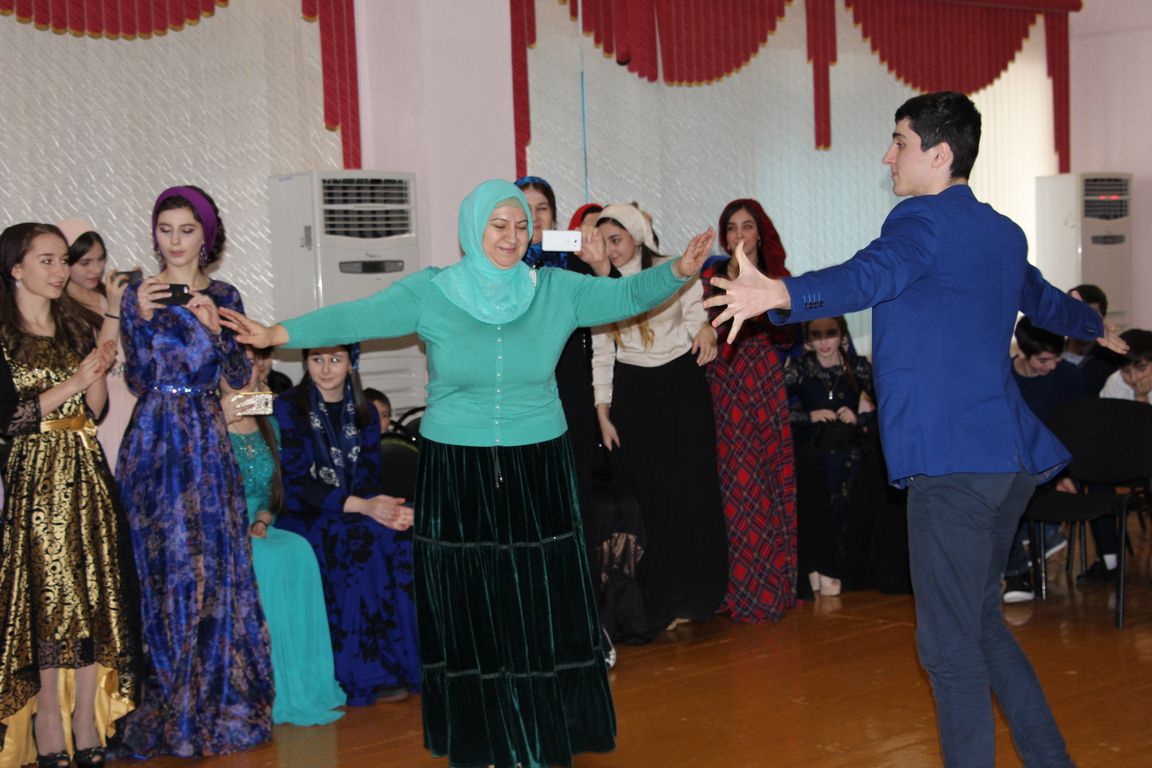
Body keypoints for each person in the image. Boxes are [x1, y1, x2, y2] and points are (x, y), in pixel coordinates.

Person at [219, 178, 716, 768]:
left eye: (520, 226)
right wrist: (277, 334)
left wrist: (678, 271)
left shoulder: (556, 288)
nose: (511, 236)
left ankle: (541, 729)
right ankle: (482, 735)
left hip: (539, 465)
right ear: (473, 229)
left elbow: (624, 296)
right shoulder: (434, 291)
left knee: (538, 604)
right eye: (498, 225)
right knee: (473, 605)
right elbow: (359, 313)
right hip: (458, 468)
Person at [705, 91, 1127, 767]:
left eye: (899, 141)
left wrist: (781, 292)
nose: (888, 155)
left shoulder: (919, 221)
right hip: (1007, 461)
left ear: (939, 154)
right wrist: (1095, 326)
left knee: (948, 648)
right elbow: (1045, 300)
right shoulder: (1000, 231)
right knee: (979, 626)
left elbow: (869, 275)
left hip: (954, 462)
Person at [116, 186, 273, 757]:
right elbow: (136, 378)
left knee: (209, 569)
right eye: (165, 230)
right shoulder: (138, 294)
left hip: (206, 439)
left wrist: (212, 332)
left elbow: (241, 377)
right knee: (161, 570)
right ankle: (164, 698)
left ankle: (207, 700)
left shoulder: (225, 294)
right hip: (154, 441)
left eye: (186, 230)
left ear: (206, 235)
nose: (175, 241)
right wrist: (136, 318)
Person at [0, 223, 138, 768]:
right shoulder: (3, 334)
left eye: (63, 260)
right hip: (35, 479)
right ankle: (49, 723)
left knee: (93, 596)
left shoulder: (74, 325)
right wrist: (76, 382)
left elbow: (97, 410)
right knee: (47, 600)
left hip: (86, 470)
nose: (60, 271)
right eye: (48, 260)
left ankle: (86, 719)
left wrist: (97, 366)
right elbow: (11, 419)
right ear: (16, 268)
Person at [591, 202, 729, 637]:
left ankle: (696, 595)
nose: (611, 249)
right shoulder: (602, 286)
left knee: (690, 490)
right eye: (604, 242)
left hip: (680, 386)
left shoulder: (673, 268)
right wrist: (602, 413)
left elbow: (695, 318)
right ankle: (656, 598)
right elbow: (602, 354)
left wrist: (706, 329)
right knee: (650, 497)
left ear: (636, 237)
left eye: (617, 239)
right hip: (633, 393)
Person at [271, 344, 420, 706]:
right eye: (317, 360)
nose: (325, 369)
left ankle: (409, 661)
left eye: (335, 360)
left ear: (351, 363)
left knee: (402, 538)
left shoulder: (364, 412)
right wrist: (364, 507)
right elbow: (296, 483)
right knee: (358, 542)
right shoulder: (288, 407)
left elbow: (369, 479)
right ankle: (367, 671)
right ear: (306, 362)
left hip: (355, 507)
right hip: (306, 512)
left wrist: (389, 509)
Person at [220, 356, 346, 726]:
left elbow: (270, 490)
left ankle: (306, 683)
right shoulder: (205, 423)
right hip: (219, 531)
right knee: (270, 562)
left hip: (257, 524)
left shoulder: (267, 421)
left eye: (248, 366)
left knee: (299, 549)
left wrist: (263, 518)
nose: (242, 375)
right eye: (232, 369)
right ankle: (273, 687)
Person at [700, 199, 797, 621]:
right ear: (725, 237)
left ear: (760, 233)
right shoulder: (710, 279)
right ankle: (740, 588)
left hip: (763, 378)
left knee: (771, 479)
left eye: (747, 226)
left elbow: (790, 336)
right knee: (735, 484)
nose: (740, 234)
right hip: (724, 380)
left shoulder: (778, 279)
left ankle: (774, 587)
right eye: (732, 228)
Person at [785, 316, 878, 597]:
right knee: (814, 476)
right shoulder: (800, 368)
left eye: (831, 333)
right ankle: (821, 566)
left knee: (856, 473)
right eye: (817, 335)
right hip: (814, 449)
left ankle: (847, 568)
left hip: (851, 449)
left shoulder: (857, 366)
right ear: (808, 340)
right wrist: (809, 416)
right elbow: (774, 409)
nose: (824, 341)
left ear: (842, 336)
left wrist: (860, 417)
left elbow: (887, 404)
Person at [1001, 317, 1085, 602]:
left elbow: (1077, 431)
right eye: (1044, 360)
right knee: (1000, 488)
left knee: (1008, 492)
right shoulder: (1004, 377)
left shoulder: (1068, 376)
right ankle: (1019, 568)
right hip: (1015, 464)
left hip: (1058, 464)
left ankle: (1035, 545)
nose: (1051, 366)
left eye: (1056, 358)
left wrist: (1063, 472)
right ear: (1022, 353)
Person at [60, 220, 138, 471]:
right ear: (66, 262)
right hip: (101, 407)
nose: (96, 269)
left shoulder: (110, 295)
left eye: (101, 259)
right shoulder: (61, 311)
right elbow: (98, 360)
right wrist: (114, 309)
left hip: (134, 400)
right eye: (85, 263)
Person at [1061, 284, 1123, 396]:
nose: (1083, 321)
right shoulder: (1051, 349)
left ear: (1101, 320)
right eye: (1078, 312)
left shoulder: (1109, 360)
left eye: (1091, 315)